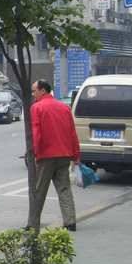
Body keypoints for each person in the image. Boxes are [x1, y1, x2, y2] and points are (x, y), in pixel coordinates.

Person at [28, 80, 81, 231]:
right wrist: (76, 156)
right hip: (64, 155)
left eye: (34, 91)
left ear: (42, 90)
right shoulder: (64, 108)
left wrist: (36, 154)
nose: (33, 94)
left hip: (46, 155)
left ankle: (33, 223)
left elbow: (36, 134)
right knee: (64, 189)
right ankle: (70, 221)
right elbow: (72, 134)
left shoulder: (36, 108)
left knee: (39, 190)